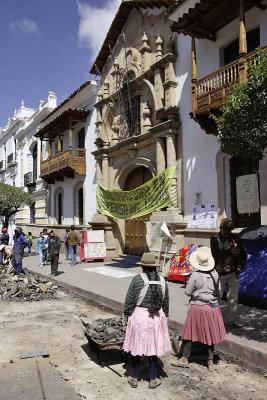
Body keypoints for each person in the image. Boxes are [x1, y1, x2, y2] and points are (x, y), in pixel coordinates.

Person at [171, 246, 226, 371]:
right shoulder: (215, 274)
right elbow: (220, 292)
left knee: (190, 333)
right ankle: (210, 362)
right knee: (210, 334)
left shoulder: (195, 275)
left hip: (198, 307)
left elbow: (187, 291)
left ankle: (184, 359)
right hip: (213, 307)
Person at [123, 252, 171, 389]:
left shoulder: (137, 279)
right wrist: (164, 315)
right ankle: (153, 379)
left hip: (140, 316)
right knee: (153, 349)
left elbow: (129, 300)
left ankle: (134, 379)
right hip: (156, 317)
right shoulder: (163, 280)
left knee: (136, 348)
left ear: (142, 266)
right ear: (155, 267)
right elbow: (166, 301)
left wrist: (127, 313)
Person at [210, 218, 247, 329]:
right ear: (220, 228)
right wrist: (230, 251)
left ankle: (230, 321)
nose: (227, 232)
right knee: (216, 297)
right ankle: (213, 321)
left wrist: (240, 266)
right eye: (225, 229)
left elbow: (243, 254)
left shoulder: (236, 239)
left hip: (233, 273)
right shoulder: (215, 239)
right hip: (219, 273)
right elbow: (216, 254)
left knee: (233, 298)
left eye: (229, 229)